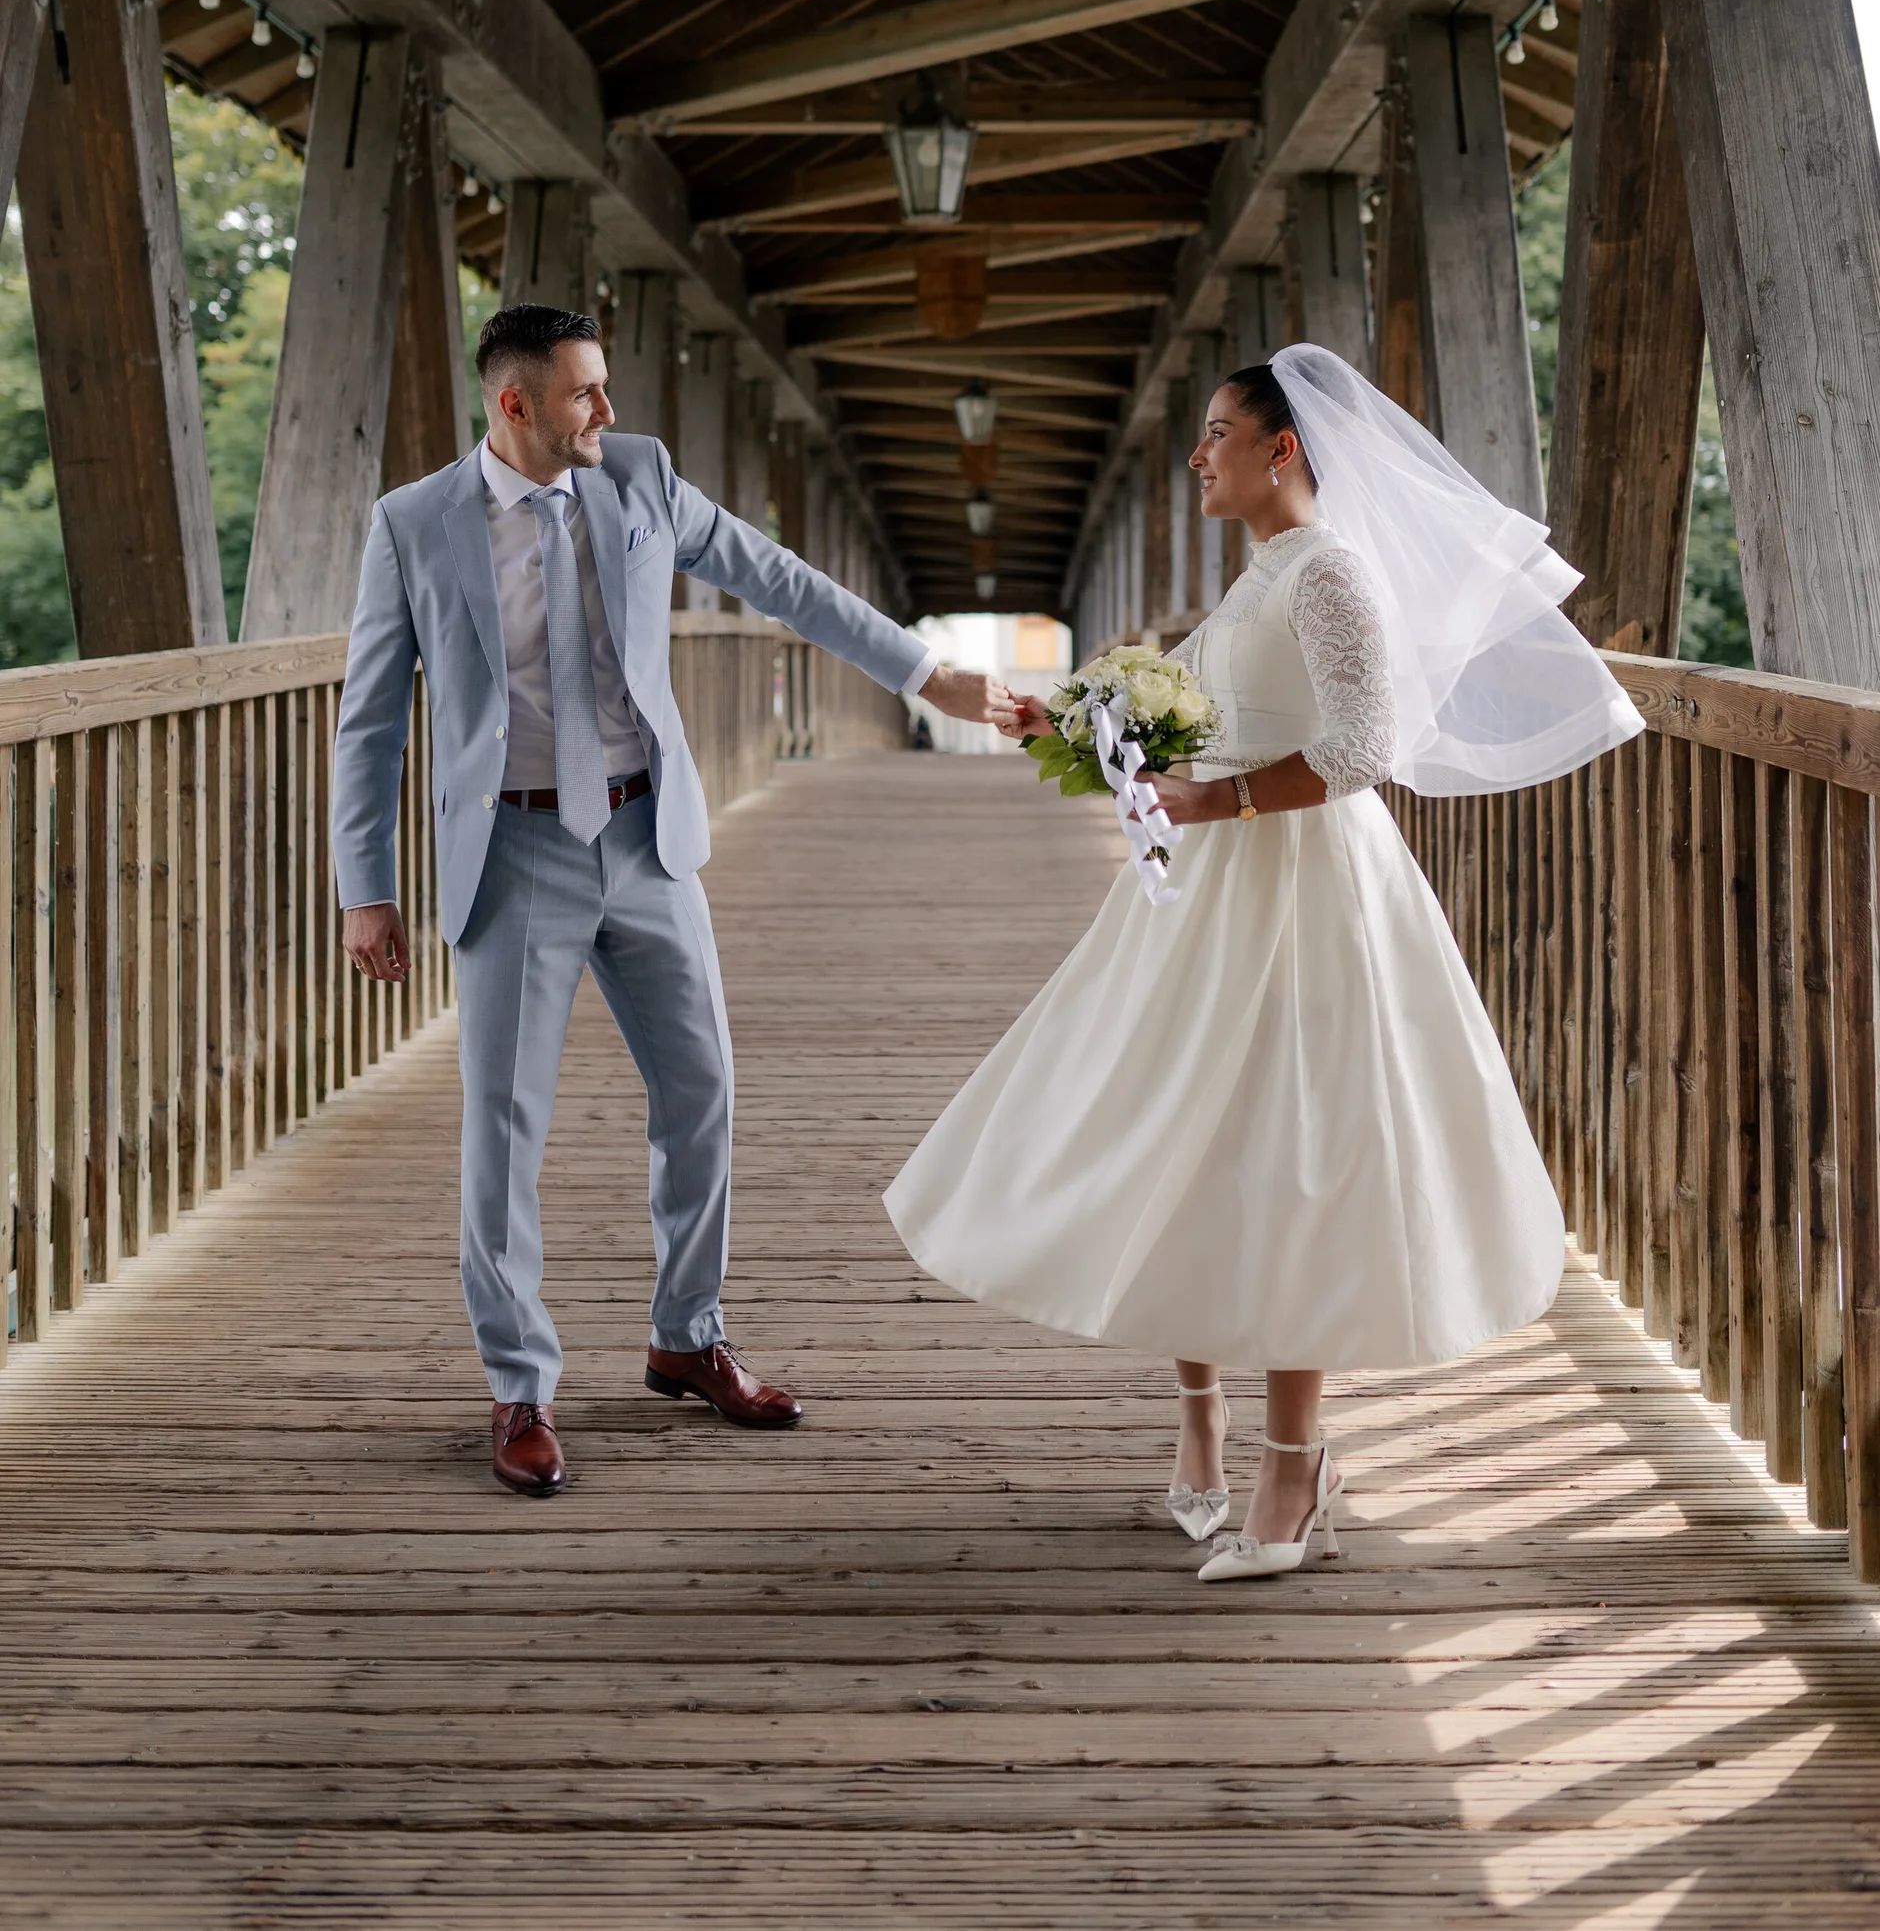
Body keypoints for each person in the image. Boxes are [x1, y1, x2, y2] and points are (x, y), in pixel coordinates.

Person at [884, 345, 1642, 1581]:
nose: (1197, 454)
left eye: (1217, 433)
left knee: (1292, 1158)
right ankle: (1199, 1421)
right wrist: (1054, 714)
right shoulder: (1258, 580)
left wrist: (1209, 806)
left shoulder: (1330, 574)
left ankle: (1293, 1464)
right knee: (1176, 1132)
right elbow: (1176, 706)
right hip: (1206, 893)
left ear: (1281, 450)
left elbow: (1357, 750)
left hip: (1303, 889)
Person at [334, 302, 1011, 1497]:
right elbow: (371, 714)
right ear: (516, 405)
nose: (607, 410)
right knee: (502, 1133)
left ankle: (685, 1334)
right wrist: (365, 887)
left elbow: (780, 580)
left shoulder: (639, 476)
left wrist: (924, 671)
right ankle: (519, 1387)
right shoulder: (412, 525)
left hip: (648, 835)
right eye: (585, 392)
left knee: (702, 1092)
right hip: (514, 852)